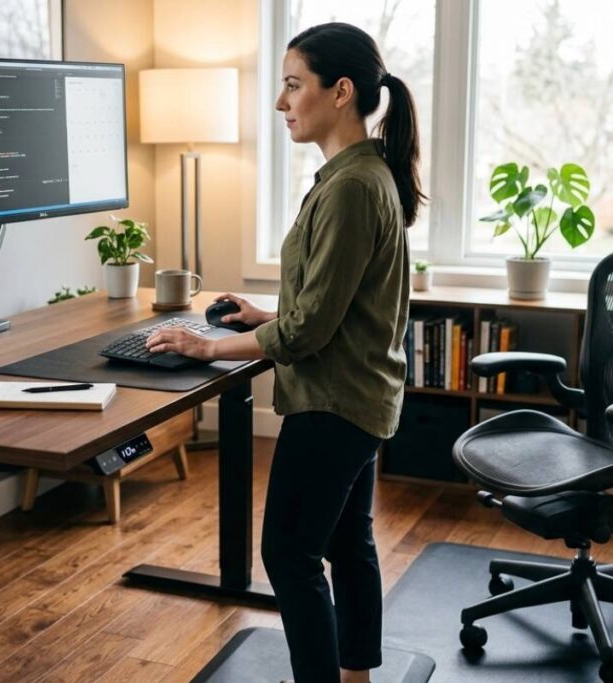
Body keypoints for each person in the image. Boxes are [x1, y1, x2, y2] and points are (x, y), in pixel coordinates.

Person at [145, 22, 424, 683]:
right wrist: (264, 313)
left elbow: (307, 335)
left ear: (341, 91)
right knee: (346, 542)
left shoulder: (353, 186)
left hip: (334, 403)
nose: (281, 103)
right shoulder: (359, 174)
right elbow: (335, 305)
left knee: (290, 554)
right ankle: (354, 675)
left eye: (293, 86)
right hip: (361, 396)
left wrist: (205, 345)